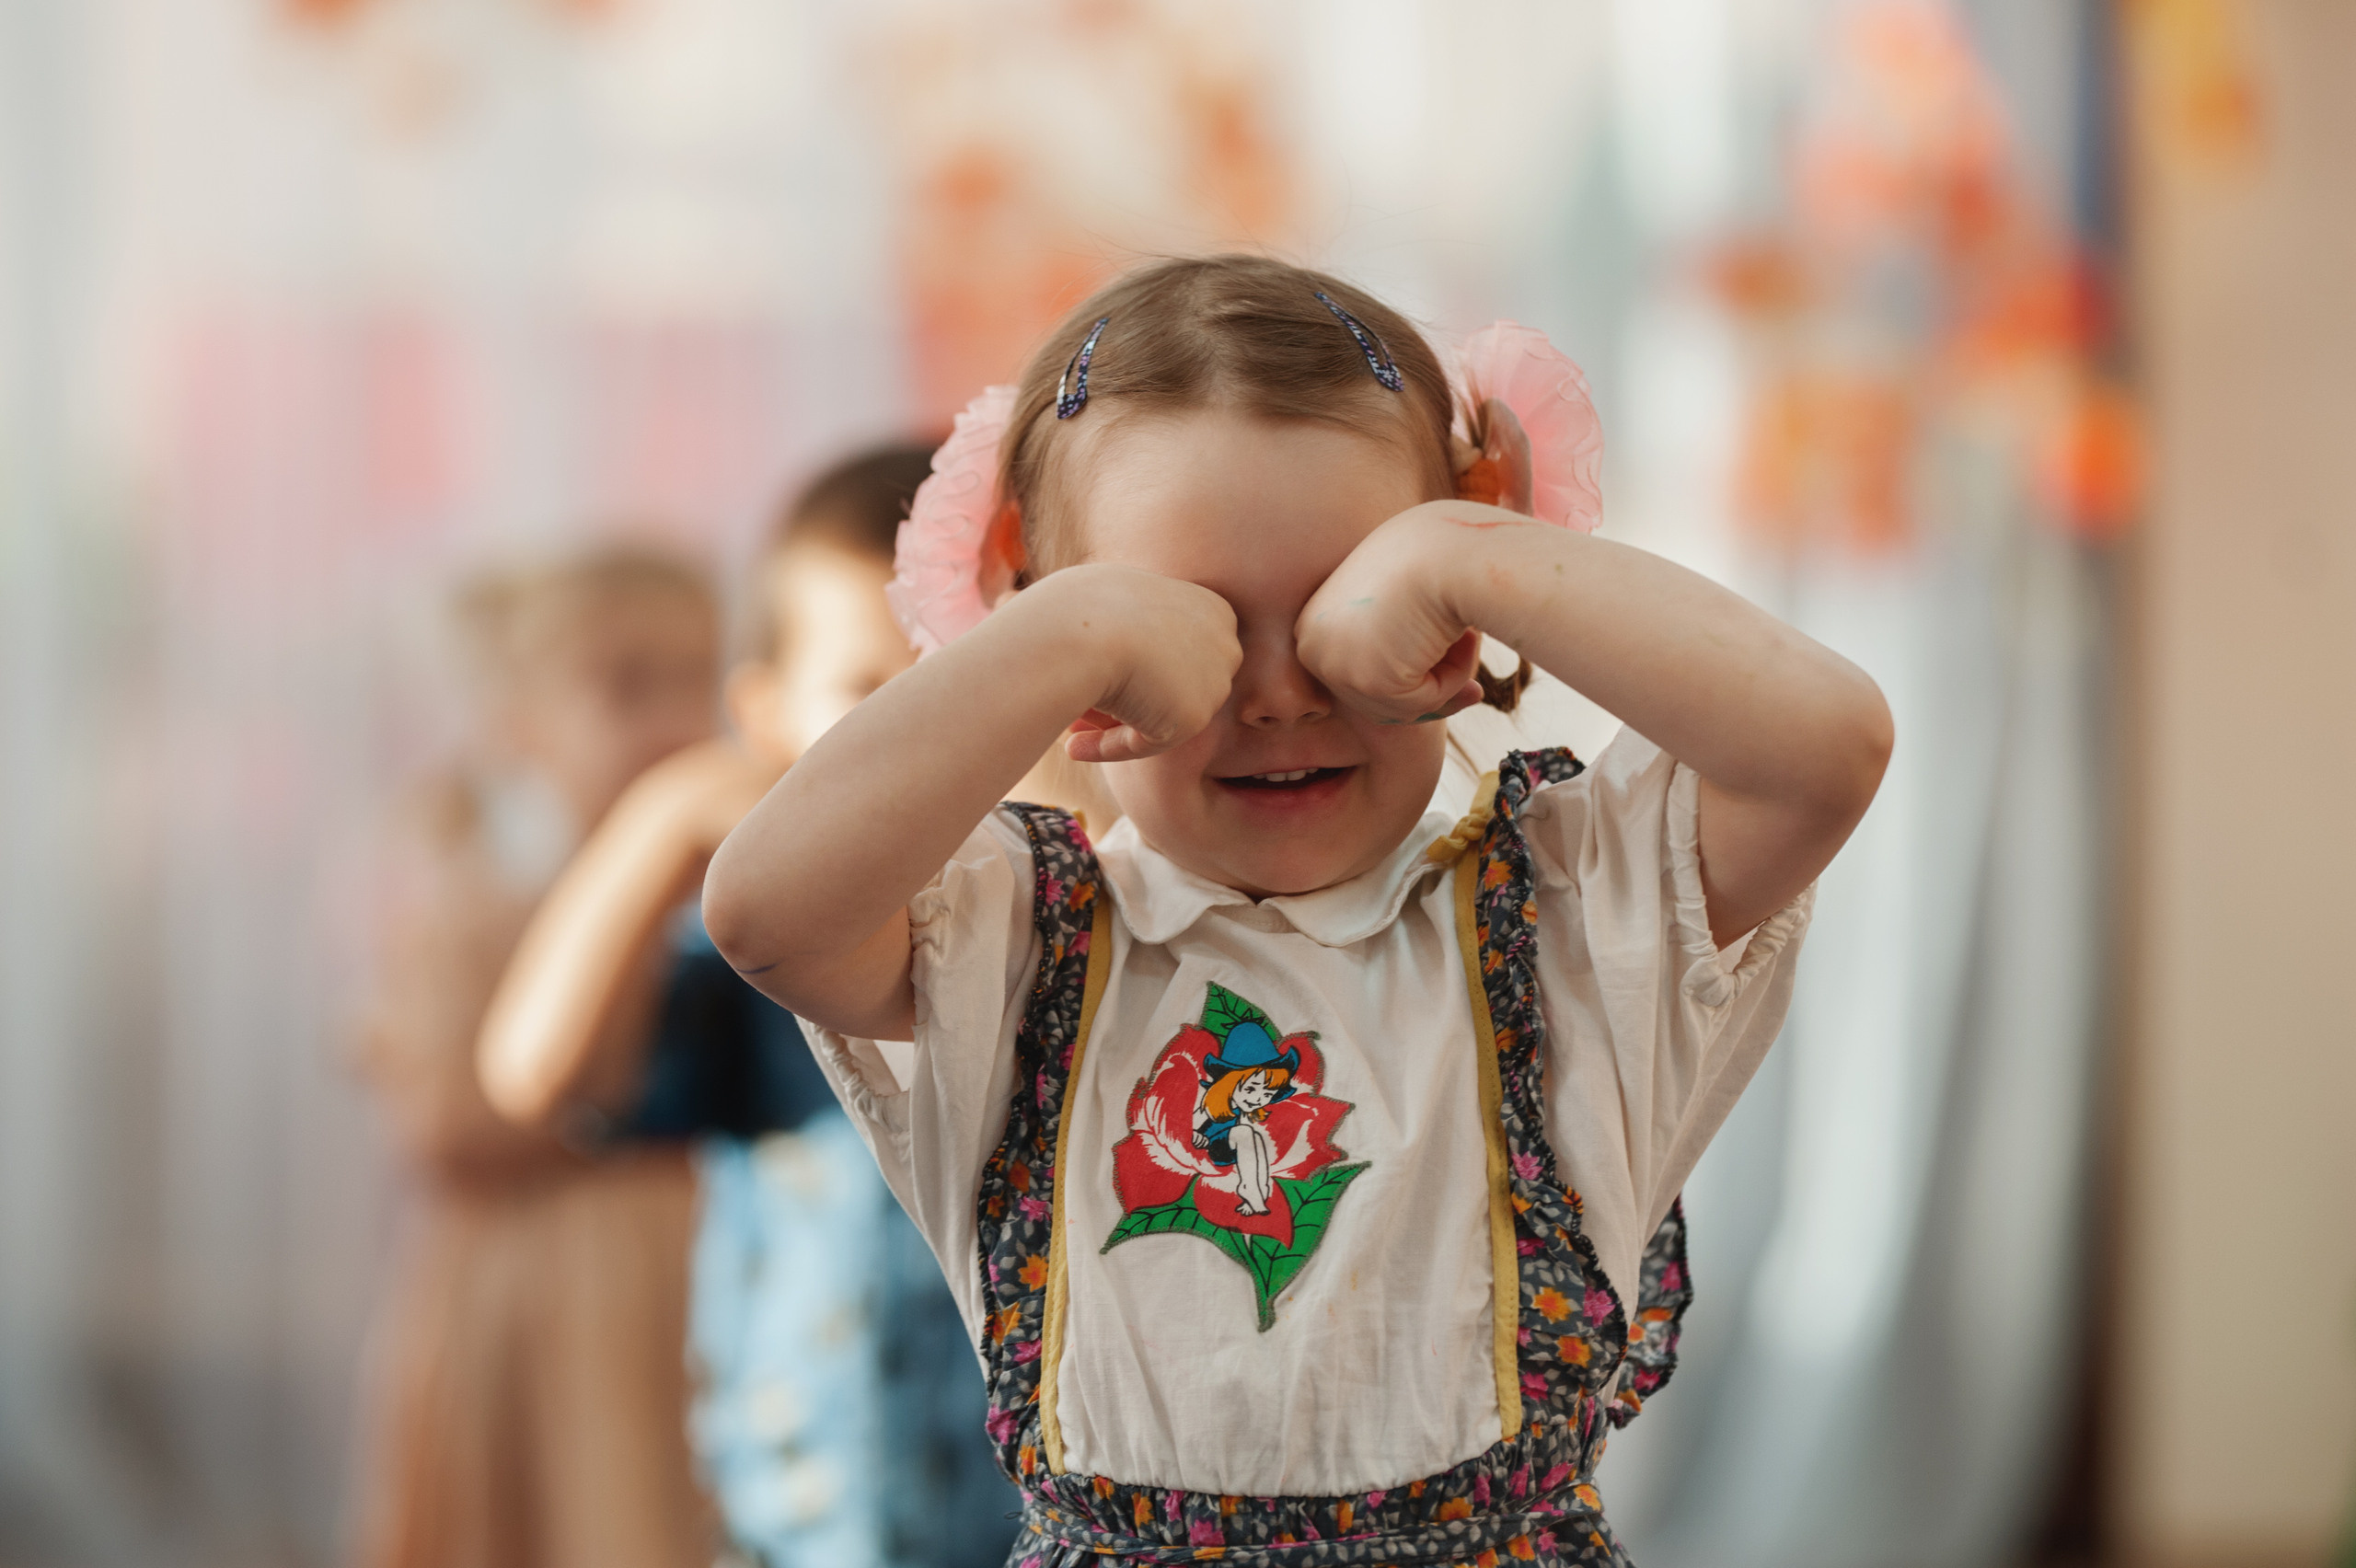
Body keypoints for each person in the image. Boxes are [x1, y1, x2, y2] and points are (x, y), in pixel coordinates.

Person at [701, 254, 1894, 1563]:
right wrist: (1069, 630)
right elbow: (763, 913)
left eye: (1339, 602)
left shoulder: (1576, 909)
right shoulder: (1009, 943)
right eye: (1196, 618)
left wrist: (1467, 551)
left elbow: (1824, 745)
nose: (1277, 696)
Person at [477, 448, 1025, 1568]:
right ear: (768, 719)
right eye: (869, 694)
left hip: (1040, 1527)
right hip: (809, 1520)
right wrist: (662, 824)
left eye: (971, 680)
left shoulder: (1073, 935)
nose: (928, 736)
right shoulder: (761, 959)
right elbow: (537, 1075)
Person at [353, 544, 721, 1568]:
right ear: (517, 725)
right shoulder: (481, 900)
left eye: (698, 677)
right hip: (544, 1294)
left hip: (681, 1279)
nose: (672, 717)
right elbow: (446, 1128)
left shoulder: (723, 896)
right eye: (626, 684)